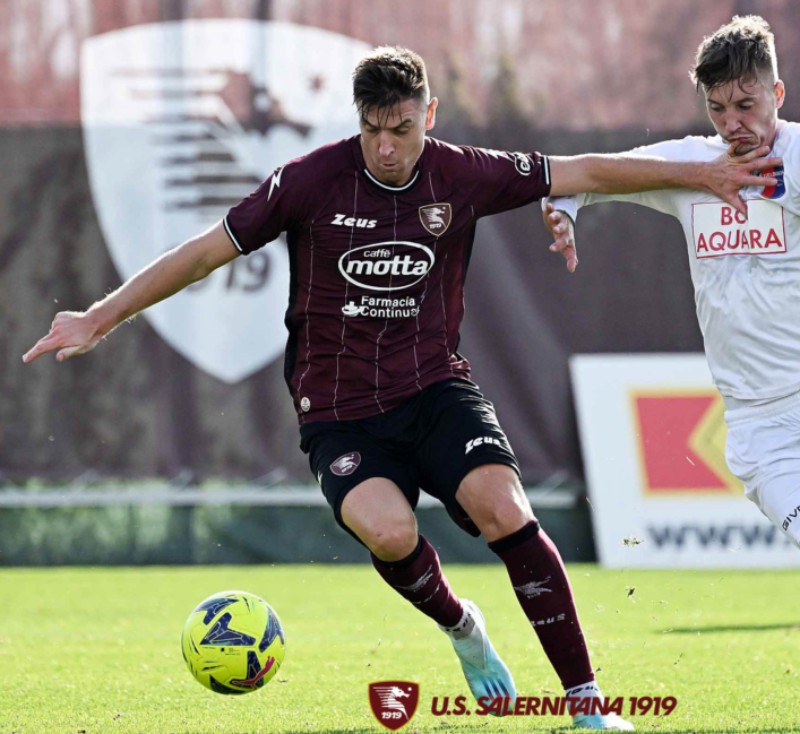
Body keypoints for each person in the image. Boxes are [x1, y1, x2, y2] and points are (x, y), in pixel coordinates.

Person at [24, 46, 776, 731]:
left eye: (403, 129)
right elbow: (204, 251)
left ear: (429, 116)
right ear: (358, 122)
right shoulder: (311, 180)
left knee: (504, 509)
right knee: (390, 533)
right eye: (375, 129)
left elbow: (583, 169)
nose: (388, 146)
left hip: (436, 389)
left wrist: (701, 175)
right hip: (340, 412)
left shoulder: (462, 173)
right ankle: (462, 629)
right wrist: (101, 315)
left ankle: (587, 705)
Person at [545, 15, 800, 553]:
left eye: (746, 105)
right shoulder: (692, 167)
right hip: (762, 424)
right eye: (717, 108)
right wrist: (565, 208)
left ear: (778, 93)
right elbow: (588, 174)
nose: (731, 123)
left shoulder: (796, 158)